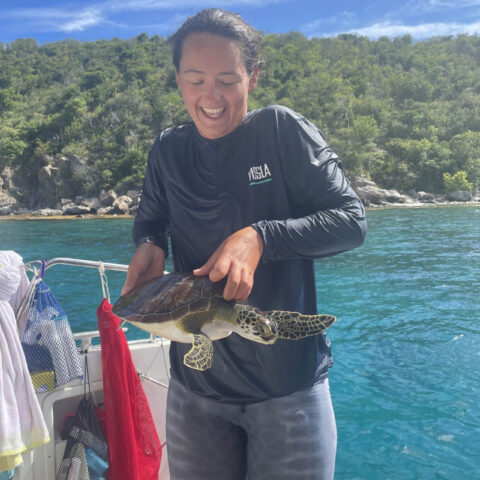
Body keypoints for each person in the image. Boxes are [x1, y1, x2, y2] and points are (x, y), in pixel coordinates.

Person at [121, 8, 367, 480]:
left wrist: (262, 235)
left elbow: (351, 222)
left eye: (227, 80)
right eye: (195, 80)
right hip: (195, 394)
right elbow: (152, 217)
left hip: (287, 394)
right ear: (177, 80)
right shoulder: (168, 151)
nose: (210, 97)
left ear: (252, 77)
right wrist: (150, 243)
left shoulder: (280, 131)